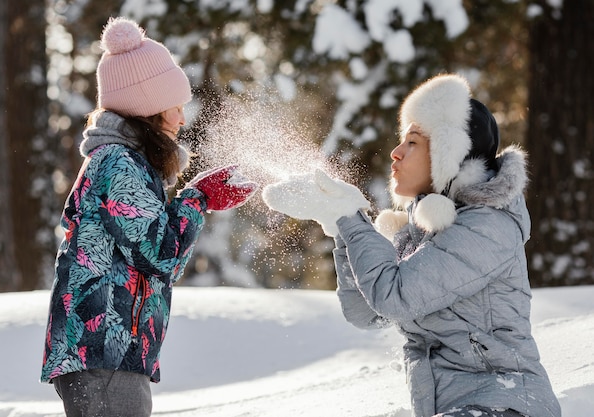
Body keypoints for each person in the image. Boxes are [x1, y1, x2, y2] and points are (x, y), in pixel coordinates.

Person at [262, 74, 561, 417]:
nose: (396, 152)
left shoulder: (488, 226)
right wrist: (340, 227)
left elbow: (394, 297)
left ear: (451, 153)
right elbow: (367, 313)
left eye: (413, 142)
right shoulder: (423, 228)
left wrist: (350, 218)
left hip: (505, 404)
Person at [40, 17, 257, 417]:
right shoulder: (119, 163)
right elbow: (161, 254)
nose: (182, 119)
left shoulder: (124, 162)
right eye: (176, 106)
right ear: (150, 108)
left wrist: (195, 198)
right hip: (102, 348)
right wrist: (198, 198)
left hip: (106, 351)